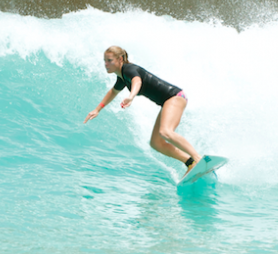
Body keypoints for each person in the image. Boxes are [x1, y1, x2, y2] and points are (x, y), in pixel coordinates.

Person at [84, 46, 202, 174]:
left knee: (165, 132)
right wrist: (97, 109)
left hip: (174, 97)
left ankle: (198, 159)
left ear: (120, 59)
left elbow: (137, 81)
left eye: (110, 60)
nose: (106, 64)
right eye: (105, 61)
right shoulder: (122, 77)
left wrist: (131, 96)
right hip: (167, 101)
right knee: (156, 143)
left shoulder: (129, 70)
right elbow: (113, 92)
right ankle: (190, 162)